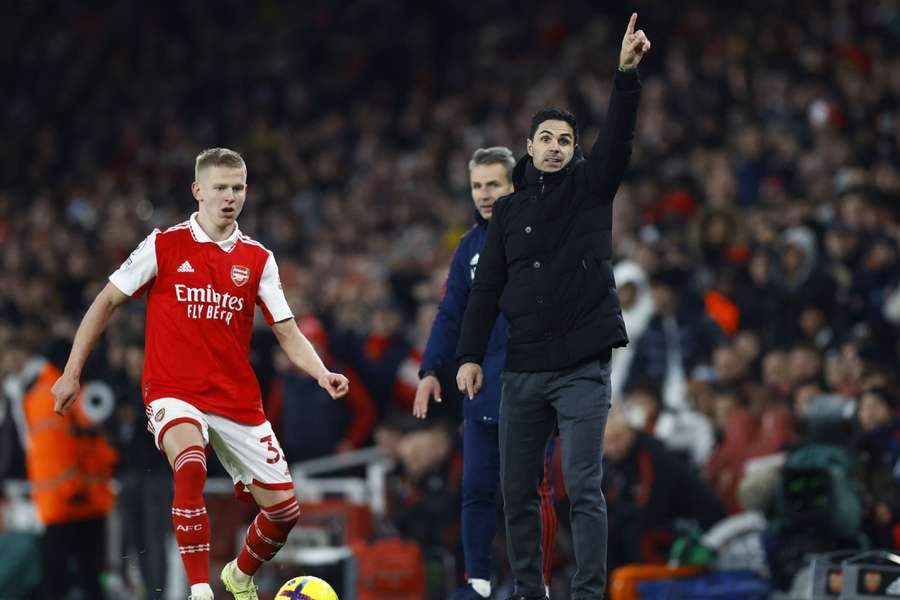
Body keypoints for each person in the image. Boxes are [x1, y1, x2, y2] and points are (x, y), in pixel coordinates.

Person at [50, 148, 349, 600]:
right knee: (190, 462)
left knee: (284, 514)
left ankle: (239, 576)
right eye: (220, 188)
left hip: (236, 401)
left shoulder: (258, 259)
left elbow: (286, 332)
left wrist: (321, 372)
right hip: (172, 391)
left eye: (238, 188)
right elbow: (105, 301)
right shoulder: (163, 245)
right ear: (198, 191)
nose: (230, 197)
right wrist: (72, 372)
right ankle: (200, 590)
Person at [456, 14, 650, 600]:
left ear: (572, 150)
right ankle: (531, 592)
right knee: (518, 492)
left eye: (566, 140)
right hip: (521, 369)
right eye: (547, 138)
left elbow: (615, 141)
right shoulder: (508, 213)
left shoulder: (591, 189)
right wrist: (469, 355)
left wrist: (624, 78)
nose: (557, 147)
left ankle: (589, 593)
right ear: (531, 146)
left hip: (582, 366)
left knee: (583, 488)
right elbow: (486, 288)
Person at [413, 147, 558, 600]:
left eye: (493, 184)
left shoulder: (541, 235)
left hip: (530, 386)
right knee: (476, 489)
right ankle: (478, 583)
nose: (484, 194)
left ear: (514, 184)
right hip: (480, 389)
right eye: (477, 186)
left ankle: (538, 586)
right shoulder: (469, 248)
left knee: (530, 494)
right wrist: (431, 369)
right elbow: (450, 312)